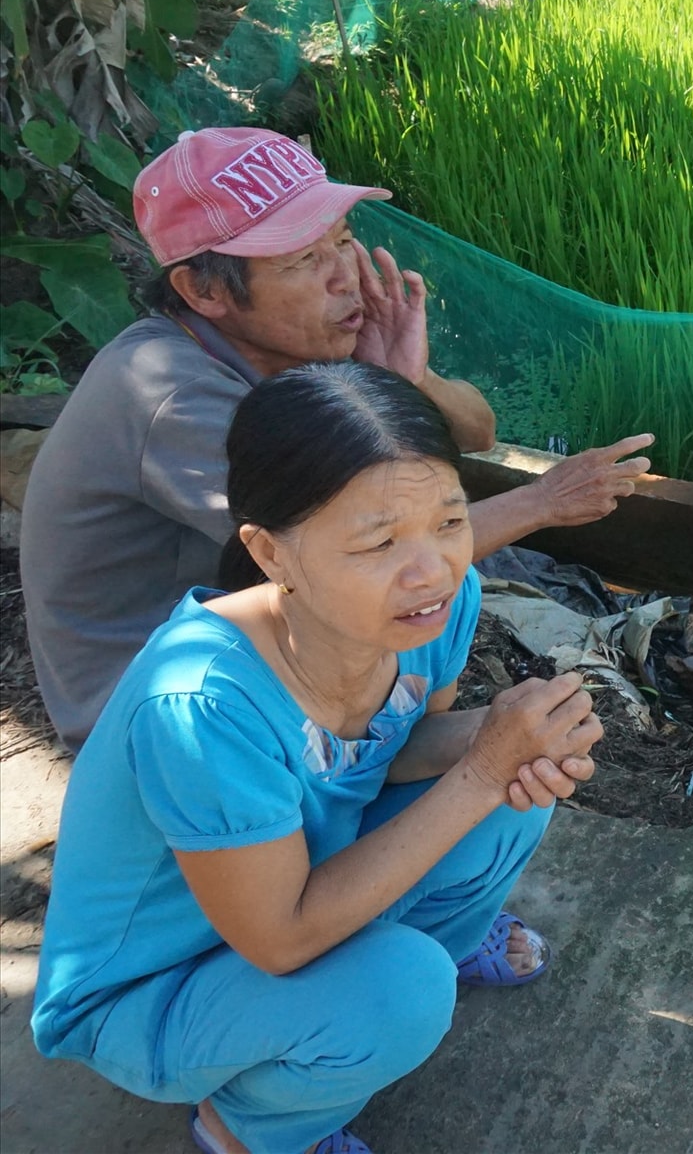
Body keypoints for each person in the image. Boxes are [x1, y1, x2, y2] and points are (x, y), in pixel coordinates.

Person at [32, 361, 603, 1154]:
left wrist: (503, 738)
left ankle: (388, 974)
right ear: (271, 554)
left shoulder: (434, 607)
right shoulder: (199, 706)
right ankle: (249, 1127)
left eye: (448, 521)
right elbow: (280, 939)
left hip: (303, 881)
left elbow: (395, 754)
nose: (431, 569)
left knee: (512, 790)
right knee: (404, 987)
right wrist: (478, 772)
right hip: (155, 988)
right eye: (379, 541)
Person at [21, 125, 653, 749]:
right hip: (149, 711)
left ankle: (398, 749)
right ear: (203, 289)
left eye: (343, 241)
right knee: (431, 586)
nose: (344, 277)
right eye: (303, 260)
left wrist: (408, 380)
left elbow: (476, 432)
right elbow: (358, 549)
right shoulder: (179, 398)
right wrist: (542, 502)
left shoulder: (277, 349)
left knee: (438, 596)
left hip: (242, 638)